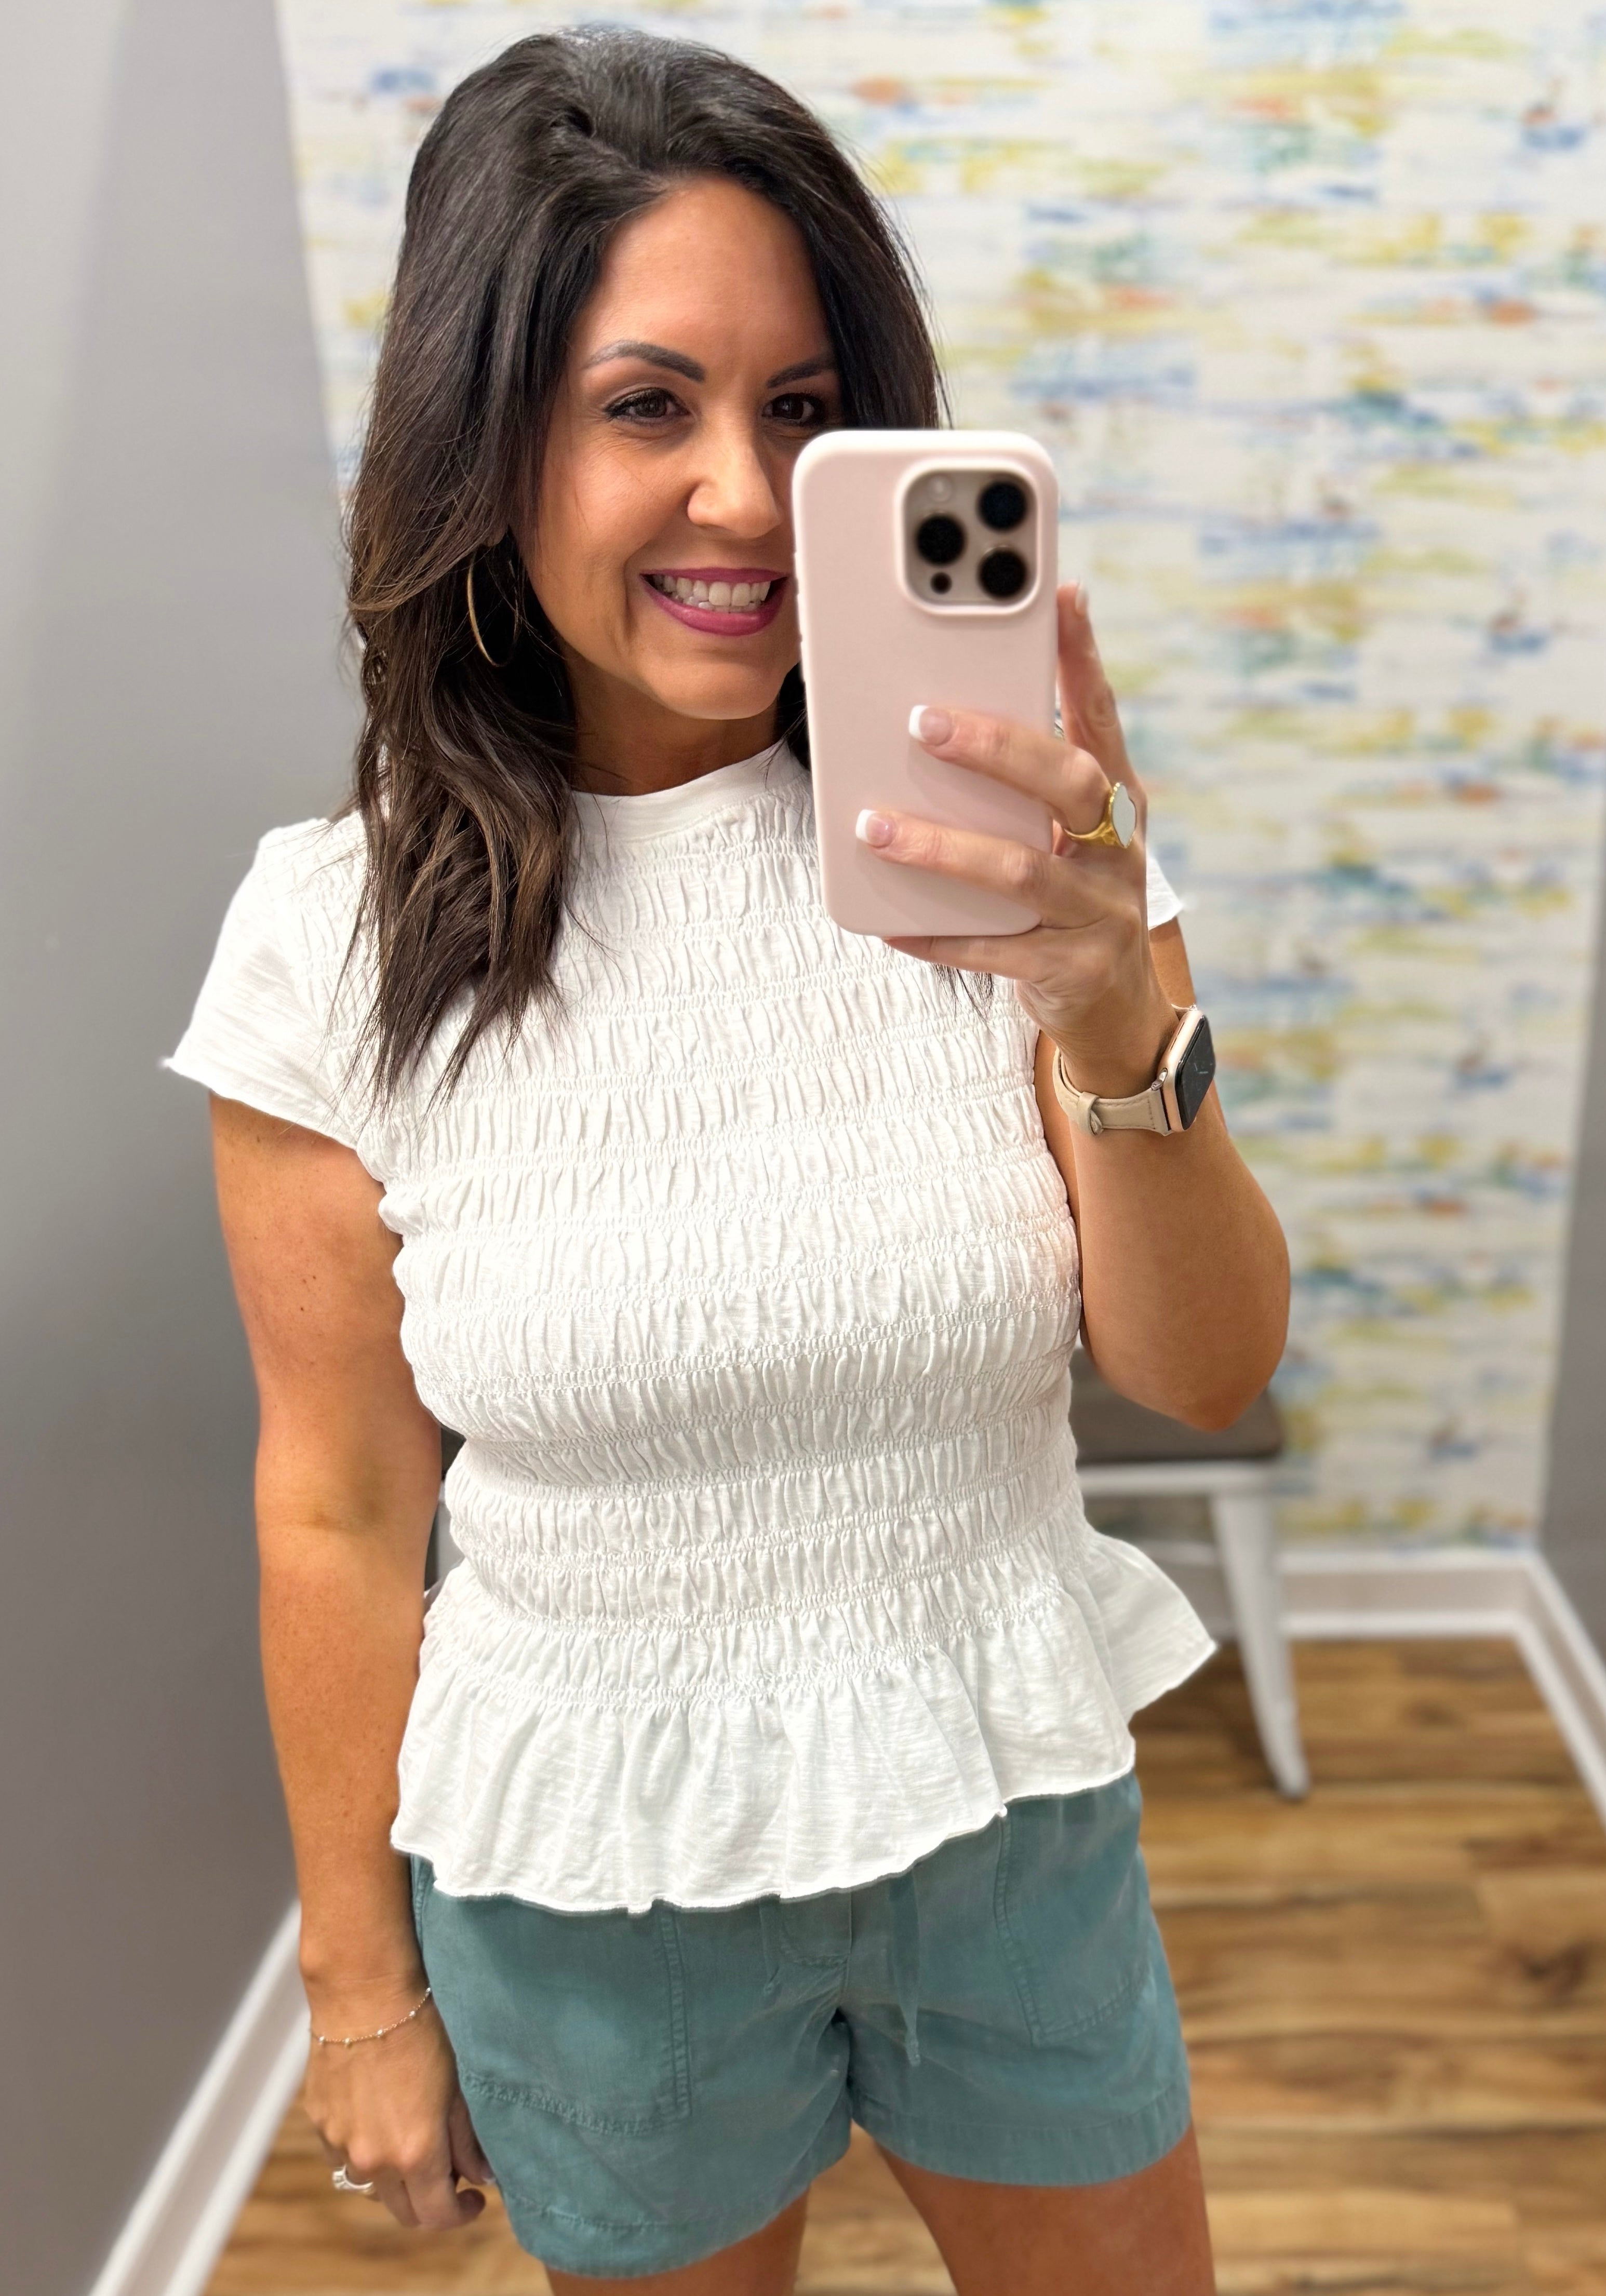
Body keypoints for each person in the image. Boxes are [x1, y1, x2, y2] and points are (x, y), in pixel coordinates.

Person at [169, 27, 1289, 2295]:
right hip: (593, 1877)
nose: (747, 499)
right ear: (489, 440)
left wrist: (1107, 998)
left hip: (1004, 1801)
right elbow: (340, 1505)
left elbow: (1200, 1368)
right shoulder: (329, 936)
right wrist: (357, 1983)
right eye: (647, 406)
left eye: (803, 410)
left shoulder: (1016, 845)